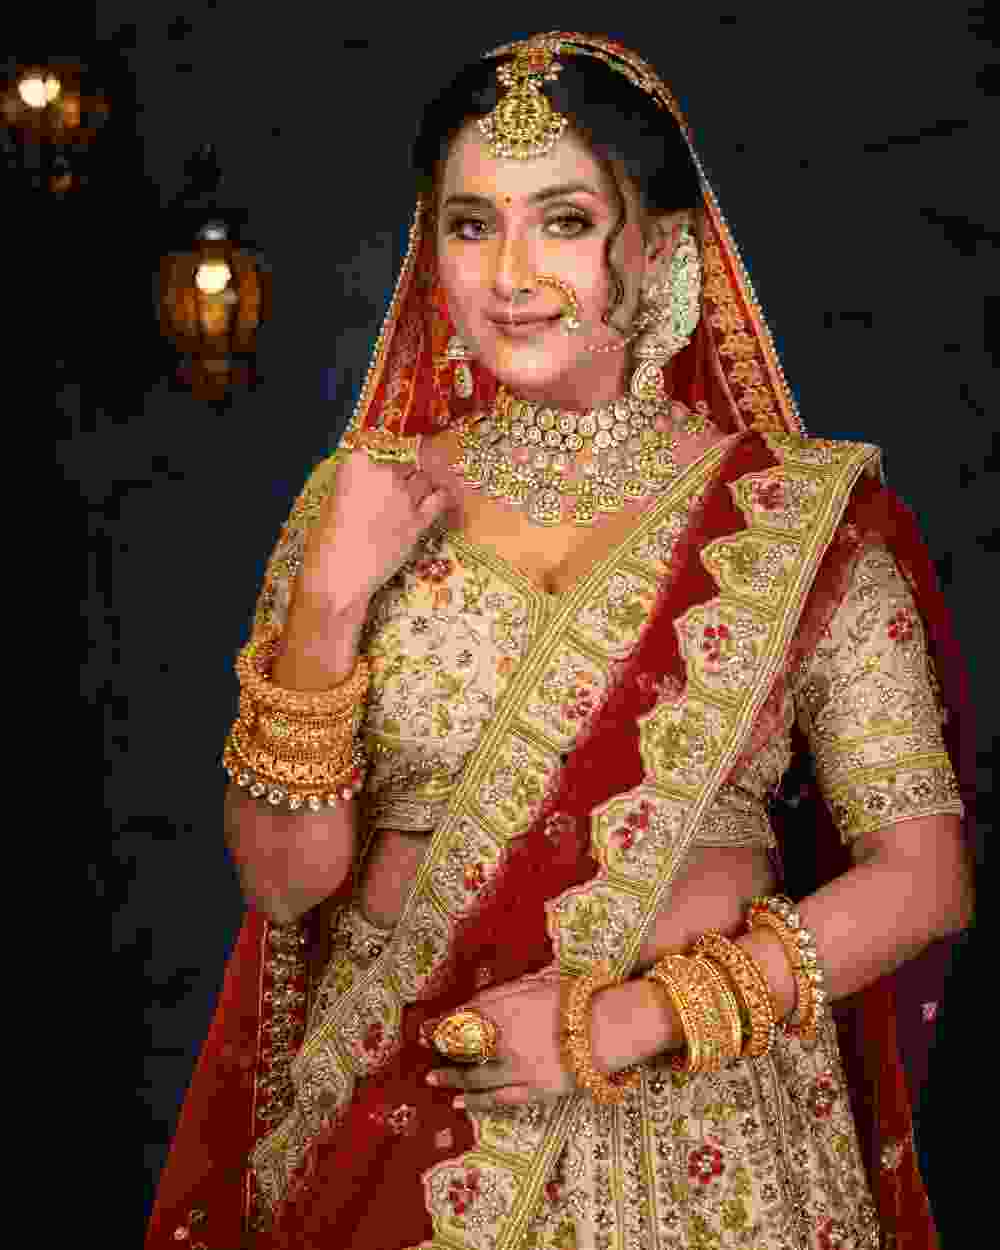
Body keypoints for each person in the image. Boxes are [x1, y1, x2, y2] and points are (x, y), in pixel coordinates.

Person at [145, 31, 976, 1250]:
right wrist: (325, 605)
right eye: (470, 225)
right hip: (404, 1106)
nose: (511, 272)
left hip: (702, 1132)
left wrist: (623, 1022)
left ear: (661, 248)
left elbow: (923, 876)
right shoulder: (361, 503)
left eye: (565, 221)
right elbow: (282, 882)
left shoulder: (795, 517)